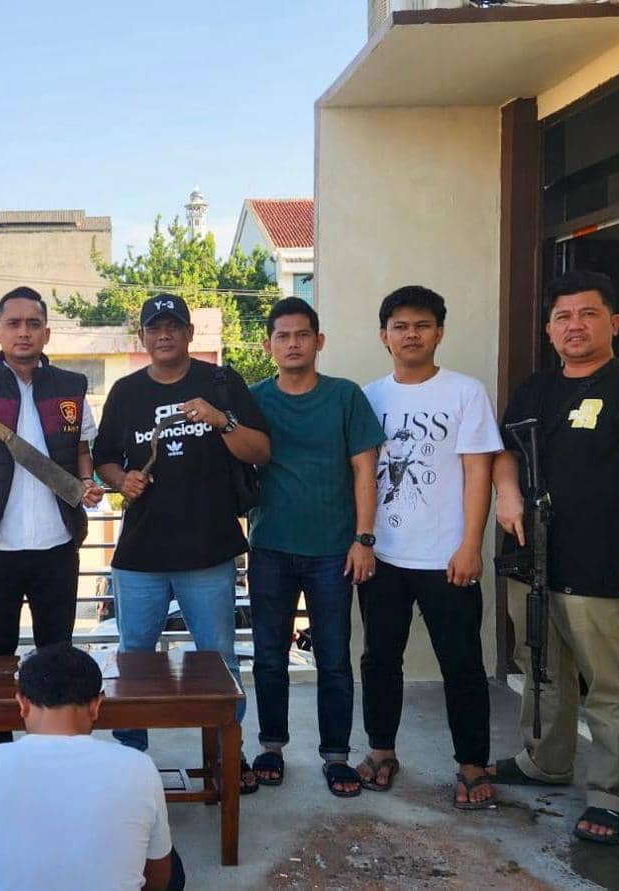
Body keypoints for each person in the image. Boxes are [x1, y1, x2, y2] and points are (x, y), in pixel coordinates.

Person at [490, 270, 619, 845]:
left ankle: (612, 795)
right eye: (563, 317)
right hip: (531, 564)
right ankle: (544, 761)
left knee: (610, 686)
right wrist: (507, 492)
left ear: (614, 323)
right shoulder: (534, 390)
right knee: (540, 669)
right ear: (549, 330)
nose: (575, 326)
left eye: (588, 314)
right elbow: (504, 452)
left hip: (602, 568)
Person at [93, 293, 270, 793]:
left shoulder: (221, 382)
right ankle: (130, 760)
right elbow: (104, 459)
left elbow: (261, 450)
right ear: (143, 337)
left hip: (208, 551)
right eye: (154, 328)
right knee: (133, 661)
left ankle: (227, 752)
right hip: (140, 555)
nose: (164, 335)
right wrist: (121, 480)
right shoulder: (126, 391)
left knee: (220, 660)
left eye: (173, 326)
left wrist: (221, 419)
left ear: (190, 334)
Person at [357, 285, 503, 809]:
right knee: (379, 659)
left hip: (447, 558)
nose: (411, 335)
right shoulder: (369, 397)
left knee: (461, 663)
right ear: (384, 336)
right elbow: (360, 474)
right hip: (384, 555)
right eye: (400, 326)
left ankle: (472, 763)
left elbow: (479, 472)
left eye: (421, 325)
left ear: (439, 333)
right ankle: (381, 750)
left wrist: (471, 545)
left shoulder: (465, 393)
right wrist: (362, 541)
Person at [0, 286, 102, 746]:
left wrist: (86, 483)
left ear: (47, 332)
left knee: (58, 651)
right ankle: (0, 750)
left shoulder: (71, 387)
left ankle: (58, 745)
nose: (23, 332)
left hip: (57, 543)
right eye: (14, 324)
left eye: (33, 324)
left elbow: (82, 451)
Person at [246, 298, 385, 797]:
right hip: (270, 547)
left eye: (302, 335)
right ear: (268, 345)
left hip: (333, 550)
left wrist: (363, 539)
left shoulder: (344, 396)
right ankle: (271, 746)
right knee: (268, 656)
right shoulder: (254, 399)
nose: (293, 344)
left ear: (319, 341)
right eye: (282, 336)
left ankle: (336, 755)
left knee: (333, 658)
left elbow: (365, 468)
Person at [0, 644, 183, 891]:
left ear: (22, 704)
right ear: (96, 705)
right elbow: (159, 879)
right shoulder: (139, 766)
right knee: (172, 863)